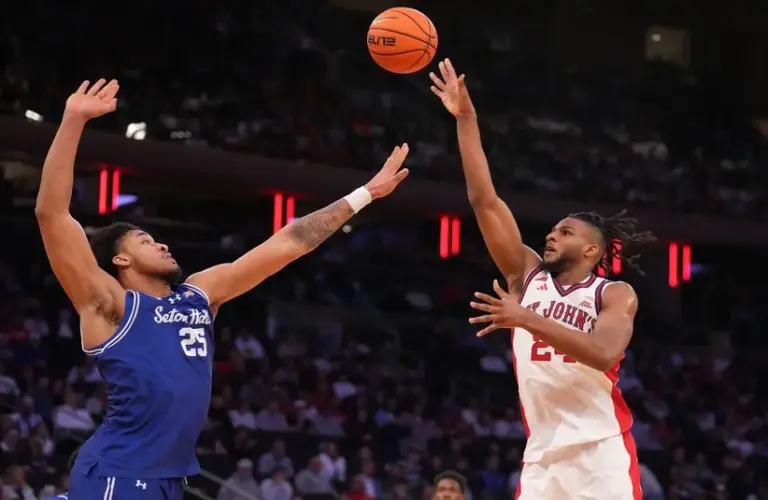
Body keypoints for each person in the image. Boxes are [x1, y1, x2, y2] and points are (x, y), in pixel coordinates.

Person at [35, 79, 410, 500]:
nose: (160, 242)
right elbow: (51, 215)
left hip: (167, 477)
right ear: (119, 261)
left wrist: (363, 195)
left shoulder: (200, 294)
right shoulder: (110, 305)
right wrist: (73, 120)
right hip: (120, 471)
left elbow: (287, 243)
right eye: (143, 240)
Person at [430, 59, 655, 499]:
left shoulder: (613, 292)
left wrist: (526, 319)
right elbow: (484, 201)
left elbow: (604, 351)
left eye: (566, 232)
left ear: (592, 251)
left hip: (600, 450)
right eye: (552, 229)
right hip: (542, 455)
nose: (552, 235)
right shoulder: (525, 275)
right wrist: (466, 120)